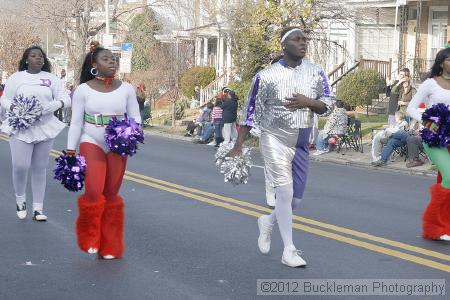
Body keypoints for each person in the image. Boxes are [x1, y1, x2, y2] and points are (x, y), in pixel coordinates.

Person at [229, 27, 333, 267]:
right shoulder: (265, 76)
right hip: (274, 138)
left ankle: (268, 221)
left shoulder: (316, 72)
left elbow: (327, 104)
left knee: (294, 202)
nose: (303, 43)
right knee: (284, 194)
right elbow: (250, 112)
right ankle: (289, 250)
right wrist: (238, 145)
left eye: (305, 39)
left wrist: (308, 102)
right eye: (297, 39)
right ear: (283, 45)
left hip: (301, 143)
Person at [66, 42, 141, 259]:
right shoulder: (82, 90)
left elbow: (135, 116)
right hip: (92, 140)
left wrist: (131, 133)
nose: (112, 62)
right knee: (93, 190)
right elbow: (75, 123)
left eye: (113, 59)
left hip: (118, 144)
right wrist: (71, 151)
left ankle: (110, 245)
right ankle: (90, 236)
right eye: (106, 59)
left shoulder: (127, 88)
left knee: (111, 194)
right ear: (94, 64)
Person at [0, 46, 71, 221]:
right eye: (33, 56)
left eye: (41, 56)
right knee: (20, 166)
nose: (38, 58)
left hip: (44, 126)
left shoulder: (51, 79)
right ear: (26, 59)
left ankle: (38, 209)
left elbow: (66, 98)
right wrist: (14, 108)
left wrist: (56, 105)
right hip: (21, 126)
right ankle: (20, 200)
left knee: (40, 168)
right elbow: (4, 99)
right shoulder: (17, 78)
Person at [406, 47, 450, 241]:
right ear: (441, 62)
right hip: (435, 137)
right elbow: (410, 108)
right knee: (449, 177)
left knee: (446, 181)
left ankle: (445, 226)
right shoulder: (430, 84)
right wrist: (430, 124)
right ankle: (433, 225)